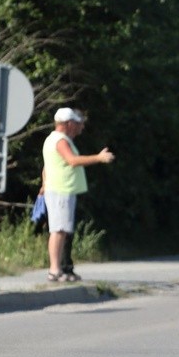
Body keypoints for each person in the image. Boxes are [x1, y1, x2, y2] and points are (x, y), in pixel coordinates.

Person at [42, 108, 114, 282]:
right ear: (68, 123)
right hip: (60, 190)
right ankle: (54, 269)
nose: (77, 126)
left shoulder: (56, 139)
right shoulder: (60, 140)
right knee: (58, 230)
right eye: (75, 122)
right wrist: (98, 158)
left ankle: (57, 268)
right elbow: (72, 160)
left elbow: (47, 167)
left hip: (61, 189)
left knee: (61, 230)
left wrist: (44, 183)